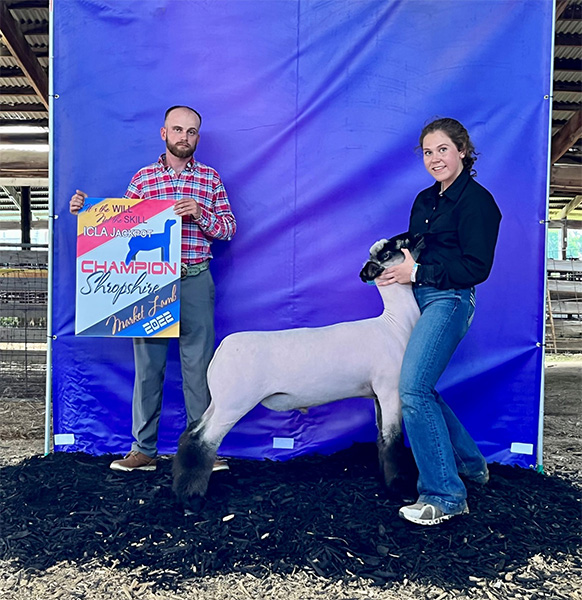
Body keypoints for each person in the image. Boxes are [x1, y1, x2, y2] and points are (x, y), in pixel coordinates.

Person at [70, 105, 236, 473]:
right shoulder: (143, 179)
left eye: (191, 131)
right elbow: (120, 226)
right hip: (150, 283)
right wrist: (86, 212)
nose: (184, 137)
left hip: (195, 278)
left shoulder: (210, 179)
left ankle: (200, 451)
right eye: (177, 129)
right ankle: (143, 450)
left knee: (199, 371)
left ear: (198, 137)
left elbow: (228, 228)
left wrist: (201, 213)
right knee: (148, 369)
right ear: (164, 133)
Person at [376, 117, 501, 526]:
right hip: (418, 299)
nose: (434, 158)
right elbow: (416, 249)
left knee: (411, 388)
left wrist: (416, 272)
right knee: (421, 386)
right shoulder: (424, 200)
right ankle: (470, 465)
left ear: (462, 150)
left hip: (450, 298)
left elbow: (476, 267)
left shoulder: (478, 202)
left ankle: (444, 496)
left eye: (442, 149)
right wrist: (391, 265)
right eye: (428, 152)